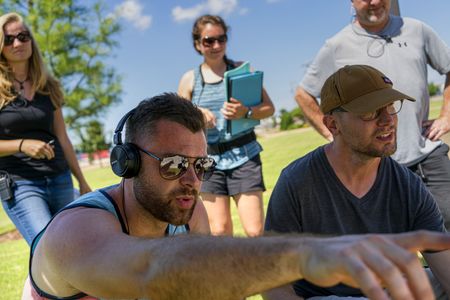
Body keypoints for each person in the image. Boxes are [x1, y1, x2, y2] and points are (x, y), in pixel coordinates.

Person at [25, 93, 450, 300]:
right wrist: (301, 255)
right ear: (127, 163)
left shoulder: (185, 213)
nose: (192, 180)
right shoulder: (75, 231)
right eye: (173, 165)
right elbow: (150, 271)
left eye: (201, 165)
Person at [264, 65, 450, 300]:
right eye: (370, 112)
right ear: (333, 125)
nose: (387, 121)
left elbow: (445, 265)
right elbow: (273, 282)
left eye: (391, 107)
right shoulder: (297, 182)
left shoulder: (408, 186)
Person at [295, 0, 450, 230]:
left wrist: (446, 116)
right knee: (384, 250)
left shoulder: (417, 29)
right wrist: (334, 135)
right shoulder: (336, 45)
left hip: (425, 154)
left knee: (442, 233)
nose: (375, 1)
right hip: (375, 167)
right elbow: (303, 94)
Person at [178, 15, 275, 237]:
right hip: (208, 162)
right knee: (220, 231)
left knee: (255, 230)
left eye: (221, 39)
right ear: (197, 44)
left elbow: (269, 108)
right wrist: (196, 115)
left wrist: (246, 112)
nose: (216, 45)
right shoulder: (189, 80)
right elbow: (179, 124)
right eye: (208, 41)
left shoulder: (242, 70)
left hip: (245, 155)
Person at [0, 12, 91, 245]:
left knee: (73, 245)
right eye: (9, 39)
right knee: (47, 246)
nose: (18, 43)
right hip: (21, 183)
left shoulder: (48, 86)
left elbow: (62, 136)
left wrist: (81, 180)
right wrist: (22, 145)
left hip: (60, 178)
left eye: (23, 36)